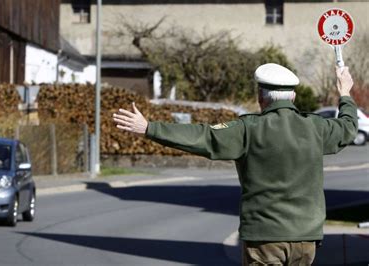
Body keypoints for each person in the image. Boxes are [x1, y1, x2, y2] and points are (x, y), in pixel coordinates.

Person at [112, 64, 358, 265]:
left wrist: (149, 128)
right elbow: (348, 128)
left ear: (261, 98)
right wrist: (345, 93)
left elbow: (203, 137)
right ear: (293, 96)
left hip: (264, 238)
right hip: (306, 239)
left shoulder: (247, 129)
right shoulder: (316, 127)